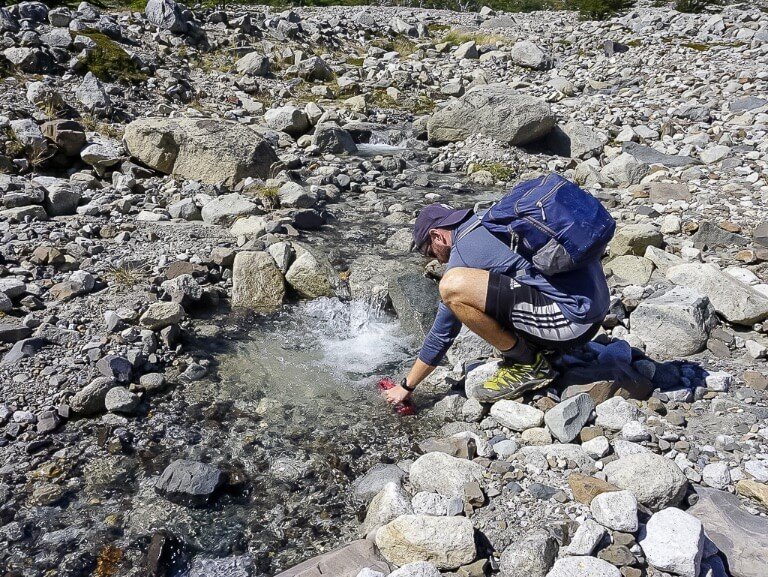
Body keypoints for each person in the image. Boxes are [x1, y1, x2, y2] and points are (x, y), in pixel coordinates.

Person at [383, 202, 610, 406]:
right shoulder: (490, 218)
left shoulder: (465, 252)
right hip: (594, 308)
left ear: (437, 236)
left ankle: (528, 365)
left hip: (573, 322)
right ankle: (542, 347)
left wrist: (406, 386)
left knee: (451, 286)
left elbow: (442, 334)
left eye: (430, 252)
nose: (437, 260)